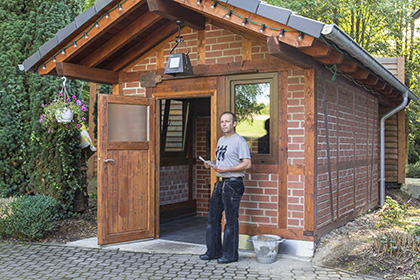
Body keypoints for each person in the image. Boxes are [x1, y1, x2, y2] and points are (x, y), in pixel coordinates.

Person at [199, 112, 251, 264]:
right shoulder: (221, 140)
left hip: (233, 184)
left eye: (227, 121)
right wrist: (211, 163)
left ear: (234, 123)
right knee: (212, 219)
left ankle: (230, 255)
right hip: (220, 183)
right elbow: (222, 160)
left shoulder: (239, 141)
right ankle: (213, 251)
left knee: (230, 221)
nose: (224, 124)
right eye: (222, 121)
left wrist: (227, 168)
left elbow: (247, 164)